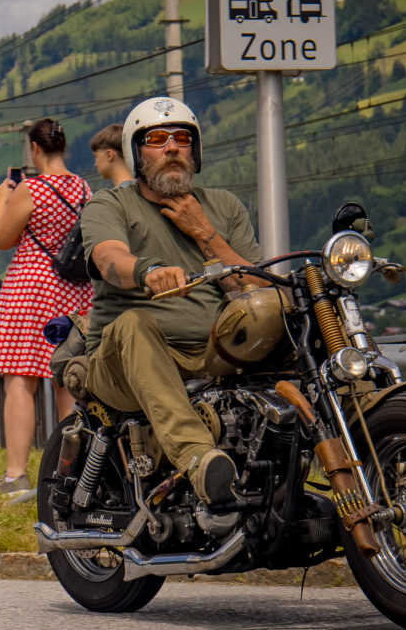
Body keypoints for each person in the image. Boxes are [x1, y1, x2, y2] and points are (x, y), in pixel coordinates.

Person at [79, 96, 266, 505]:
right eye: (156, 140)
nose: (171, 148)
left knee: (287, 313)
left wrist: (204, 233)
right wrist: (146, 271)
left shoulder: (223, 206)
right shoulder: (111, 204)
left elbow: (257, 285)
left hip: (215, 353)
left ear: (194, 150)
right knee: (134, 323)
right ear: (135, 151)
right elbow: (108, 258)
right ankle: (199, 460)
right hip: (123, 363)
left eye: (182, 138)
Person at [0, 118, 93, 502]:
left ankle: (15, 475)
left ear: (34, 149)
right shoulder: (83, 188)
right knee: (68, 378)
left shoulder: (30, 189)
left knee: (20, 379)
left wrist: (1, 201)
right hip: (74, 291)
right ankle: (71, 472)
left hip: (30, 290)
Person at [90, 123, 133, 188]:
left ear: (109, 155)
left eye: (96, 156)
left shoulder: (116, 194)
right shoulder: (144, 189)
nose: (95, 164)